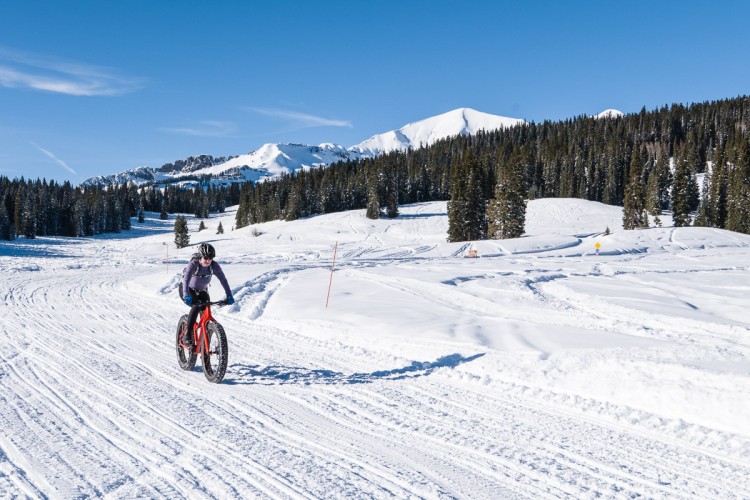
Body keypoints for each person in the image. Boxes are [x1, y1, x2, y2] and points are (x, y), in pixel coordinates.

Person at [181, 242, 234, 347]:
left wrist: (229, 295)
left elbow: (223, 280)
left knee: (206, 310)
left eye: (210, 258)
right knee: (196, 306)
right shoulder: (194, 265)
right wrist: (186, 294)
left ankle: (204, 340)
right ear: (200, 257)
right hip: (188, 289)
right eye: (206, 258)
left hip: (202, 290)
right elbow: (186, 280)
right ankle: (188, 334)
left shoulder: (214, 266)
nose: (208, 261)